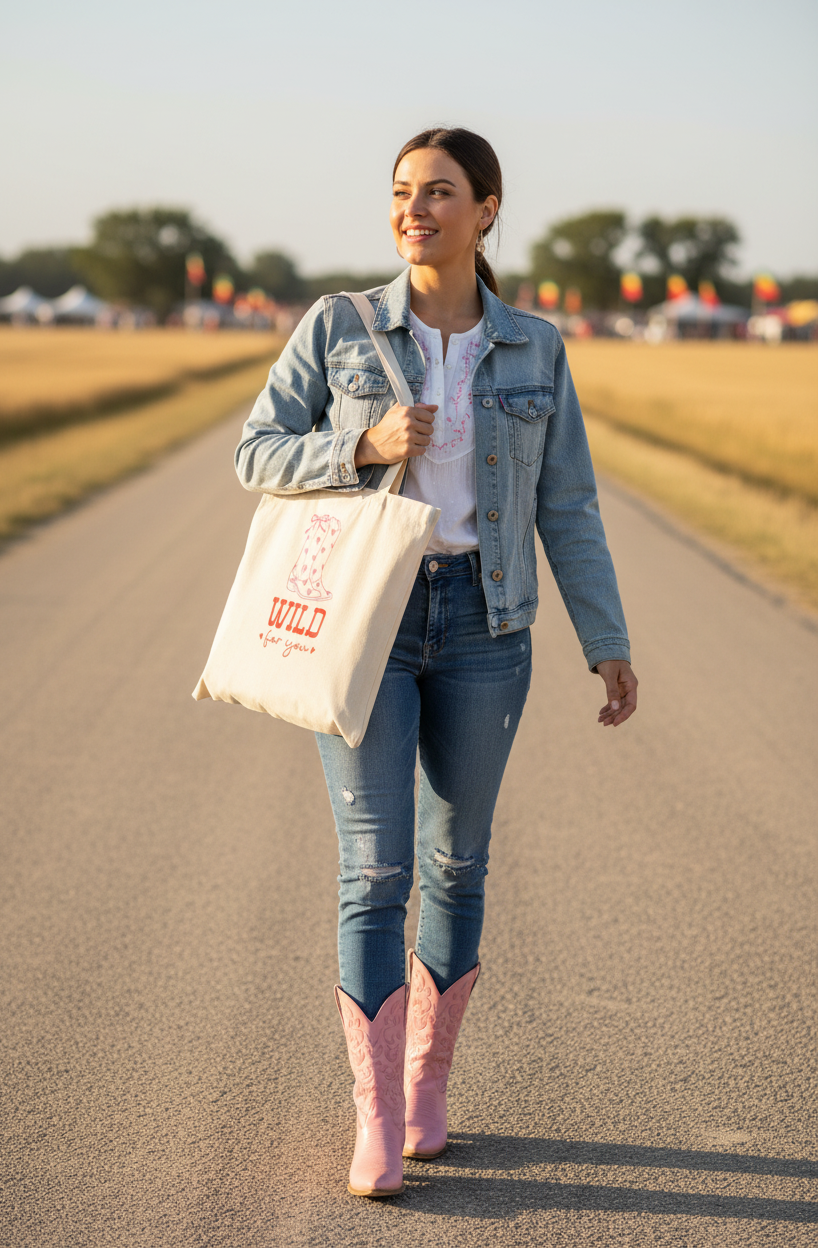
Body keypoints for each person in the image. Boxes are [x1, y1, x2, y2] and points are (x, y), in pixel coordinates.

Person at [235, 127, 638, 1198]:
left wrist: (605, 639)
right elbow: (254, 451)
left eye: (441, 192)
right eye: (403, 193)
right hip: (366, 619)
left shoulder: (534, 346)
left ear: (487, 210)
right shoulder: (339, 326)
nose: (416, 209)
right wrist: (358, 449)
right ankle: (370, 1117)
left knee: (457, 862)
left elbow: (566, 505)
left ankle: (426, 1088)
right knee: (376, 869)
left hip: (485, 627)